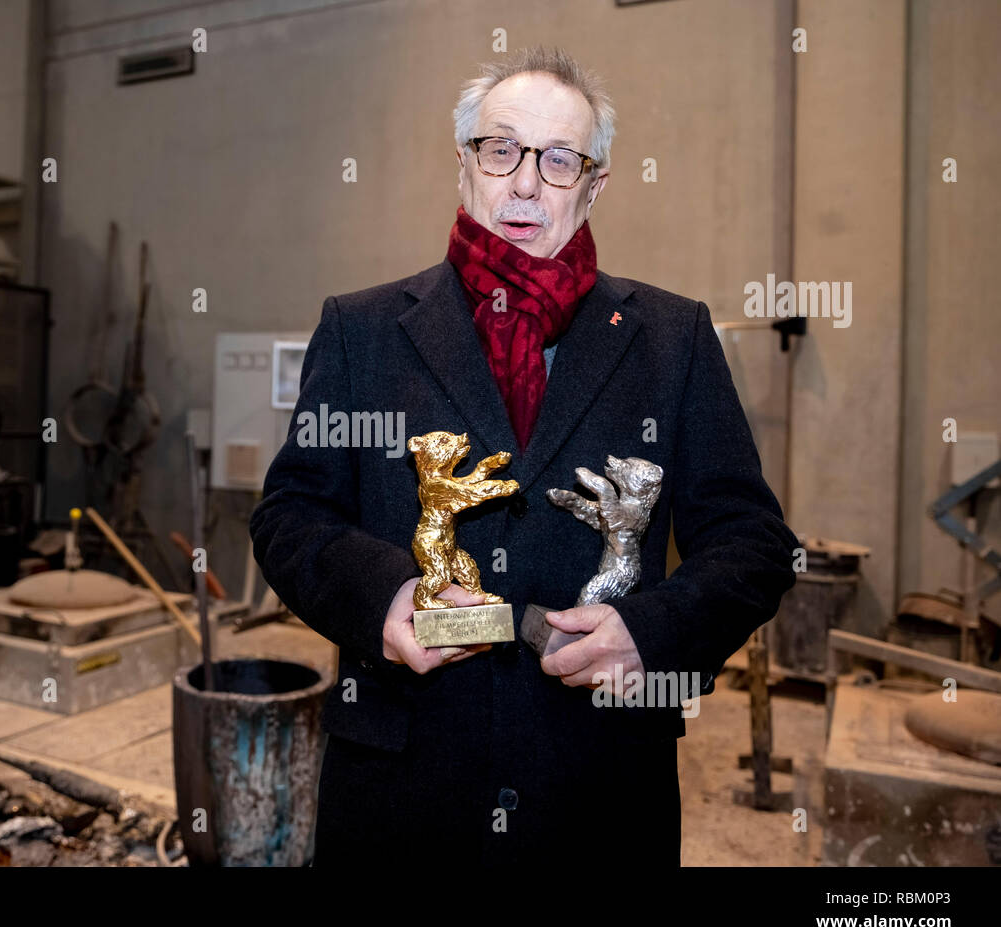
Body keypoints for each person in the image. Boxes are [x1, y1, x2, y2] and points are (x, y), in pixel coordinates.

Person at [249, 46, 797, 866]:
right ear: (466, 164)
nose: (526, 183)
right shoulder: (362, 332)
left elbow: (755, 546)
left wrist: (651, 633)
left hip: (600, 792)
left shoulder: (672, 340)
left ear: (595, 184)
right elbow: (290, 516)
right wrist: (386, 596)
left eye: (558, 159)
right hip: (403, 789)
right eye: (501, 150)